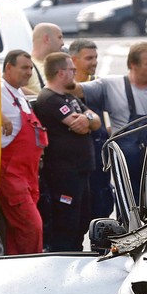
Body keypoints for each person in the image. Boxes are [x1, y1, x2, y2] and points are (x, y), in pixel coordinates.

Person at [75, 42, 147, 202]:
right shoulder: (110, 85)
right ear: (133, 65)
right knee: (128, 207)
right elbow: (77, 90)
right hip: (126, 167)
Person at [33, 52, 101, 252]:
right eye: (72, 69)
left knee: (81, 221)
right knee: (66, 222)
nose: (74, 73)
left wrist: (87, 120)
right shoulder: (50, 99)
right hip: (64, 173)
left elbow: (95, 121)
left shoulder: (70, 98)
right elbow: (77, 124)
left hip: (80, 171)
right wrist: (87, 121)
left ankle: (76, 253)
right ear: (61, 73)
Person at [0, 49, 46, 255]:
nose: (29, 73)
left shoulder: (18, 92)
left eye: (30, 68)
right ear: (9, 67)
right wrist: (0, 116)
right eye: (24, 68)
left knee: (19, 230)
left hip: (28, 174)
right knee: (31, 226)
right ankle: (31, 268)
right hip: (12, 175)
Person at [69, 38, 114, 220]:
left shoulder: (100, 85)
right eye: (89, 58)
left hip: (100, 157)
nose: (94, 62)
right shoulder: (63, 90)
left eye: (95, 57)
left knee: (102, 209)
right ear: (73, 60)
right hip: (76, 162)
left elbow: (111, 121)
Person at [25, 23, 64, 95]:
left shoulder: (59, 65)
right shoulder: (26, 66)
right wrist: (41, 98)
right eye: (59, 37)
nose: (63, 43)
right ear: (47, 39)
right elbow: (12, 88)